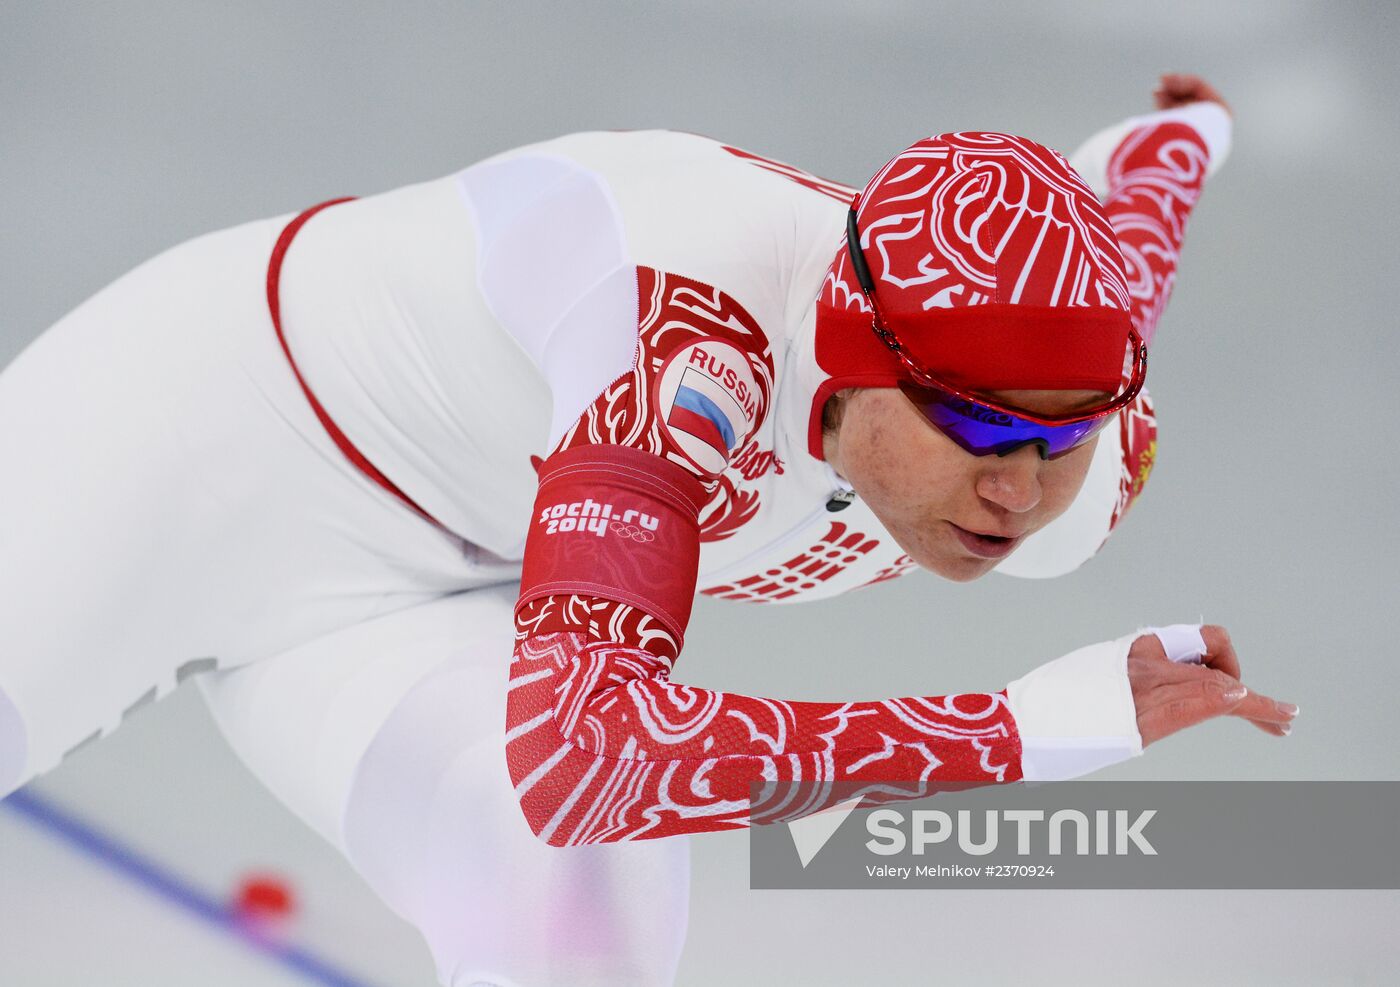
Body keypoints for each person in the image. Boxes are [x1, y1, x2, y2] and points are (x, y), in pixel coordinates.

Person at [0, 73, 1295, 986]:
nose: (1020, 487)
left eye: (1061, 438)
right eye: (977, 429)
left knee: (583, 928)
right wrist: (1019, 730)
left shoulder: (1080, 444)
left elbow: (1128, 248)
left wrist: (1176, 142)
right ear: (850, 366)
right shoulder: (683, 332)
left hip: (418, 612)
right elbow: (585, 754)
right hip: (197, 434)